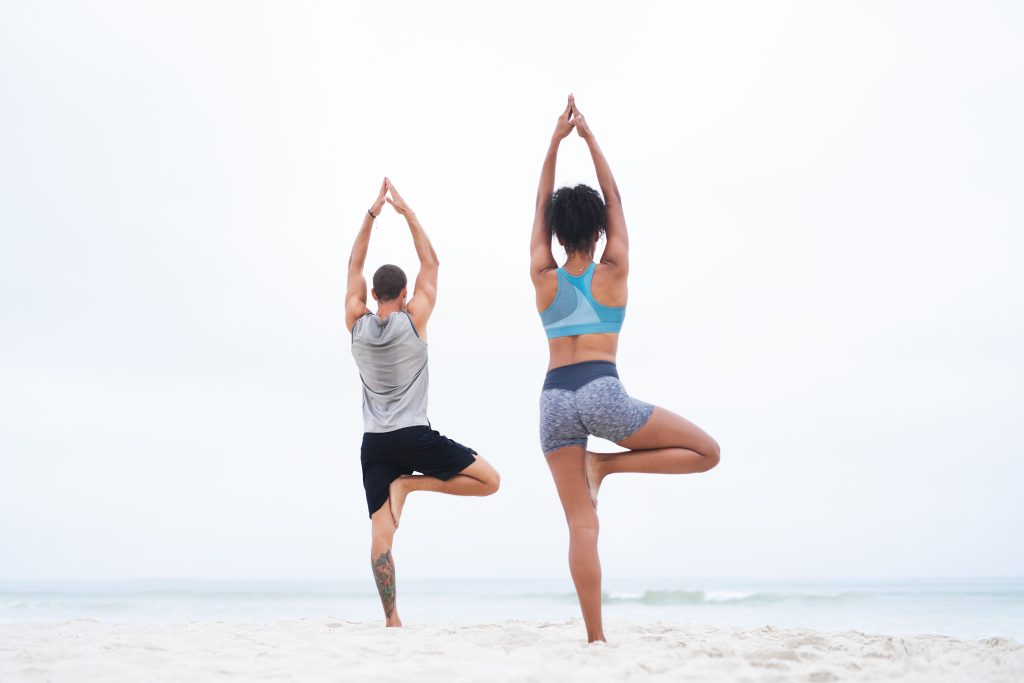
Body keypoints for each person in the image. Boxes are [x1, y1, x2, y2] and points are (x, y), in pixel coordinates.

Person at [530, 96, 721, 643]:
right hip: (601, 389)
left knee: (580, 525)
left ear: (556, 233)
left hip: (553, 399)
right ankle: (607, 468)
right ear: (598, 231)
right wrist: (588, 139)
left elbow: (538, 203)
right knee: (707, 452)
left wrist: (553, 143)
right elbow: (614, 197)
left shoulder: (542, 274)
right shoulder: (614, 269)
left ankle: (595, 639)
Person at [346, 178, 501, 627]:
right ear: (405, 294)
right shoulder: (415, 319)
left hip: (374, 443)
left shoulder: (354, 324)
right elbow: (431, 262)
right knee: (490, 481)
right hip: (414, 437)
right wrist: (406, 212)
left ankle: (392, 620)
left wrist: (371, 215)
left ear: (372, 295)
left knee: (381, 536)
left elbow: (353, 262)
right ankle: (411, 486)